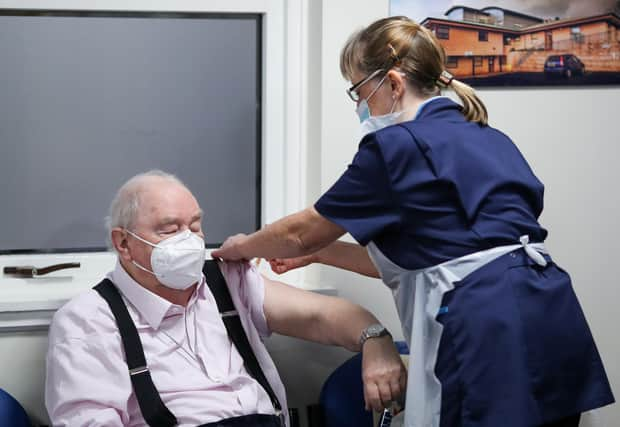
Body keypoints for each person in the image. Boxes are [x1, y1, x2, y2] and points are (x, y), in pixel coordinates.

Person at [212, 16, 615, 427]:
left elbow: (300, 232)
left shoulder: (396, 145)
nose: (358, 105)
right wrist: (322, 255)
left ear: (392, 83)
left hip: (485, 323)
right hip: (548, 311)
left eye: (357, 90)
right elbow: (425, 261)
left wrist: (237, 247)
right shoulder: (487, 137)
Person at [45, 170, 406, 427]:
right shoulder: (89, 320)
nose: (189, 239)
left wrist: (375, 338)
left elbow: (324, 317)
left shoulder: (226, 282)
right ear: (123, 243)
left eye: (196, 225)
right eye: (170, 230)